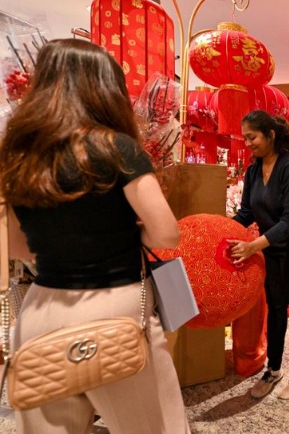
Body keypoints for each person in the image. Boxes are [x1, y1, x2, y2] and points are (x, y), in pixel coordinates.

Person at [0, 39, 190, 433]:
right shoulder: (115, 148)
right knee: (152, 425)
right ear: (106, 89)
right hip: (114, 306)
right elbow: (167, 234)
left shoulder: (18, 154)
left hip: (40, 311)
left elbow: (17, 246)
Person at [230, 110, 289, 400]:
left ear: (271, 135)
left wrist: (254, 245)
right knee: (275, 304)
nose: (248, 143)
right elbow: (247, 212)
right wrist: (218, 229)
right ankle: (273, 368)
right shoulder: (254, 170)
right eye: (245, 138)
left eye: (252, 137)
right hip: (273, 245)